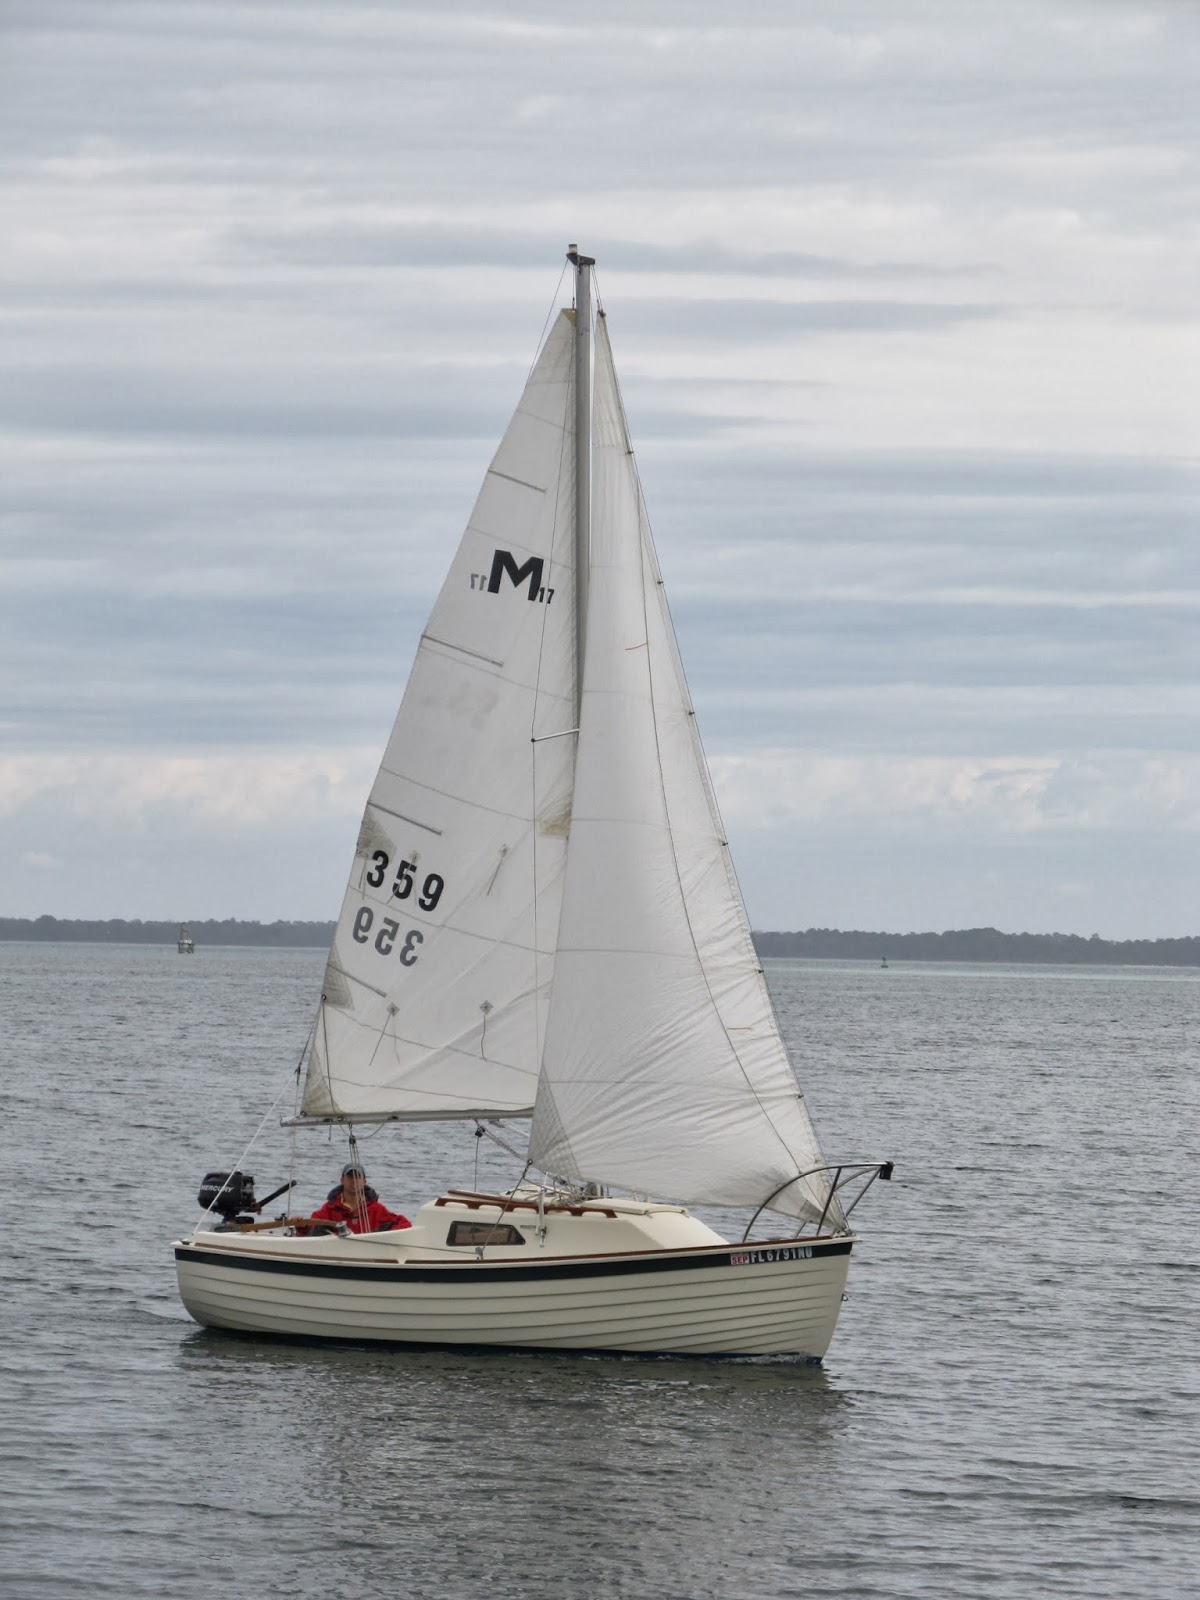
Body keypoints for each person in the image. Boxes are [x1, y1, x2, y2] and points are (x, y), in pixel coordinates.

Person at [305, 1164, 412, 1234]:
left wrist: (386, 1237)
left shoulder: (376, 1210)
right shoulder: (330, 1209)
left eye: (357, 1177)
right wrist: (301, 1225)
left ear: (364, 1182)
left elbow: (404, 1224)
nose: (354, 1181)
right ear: (342, 1180)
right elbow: (310, 1229)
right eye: (350, 1177)